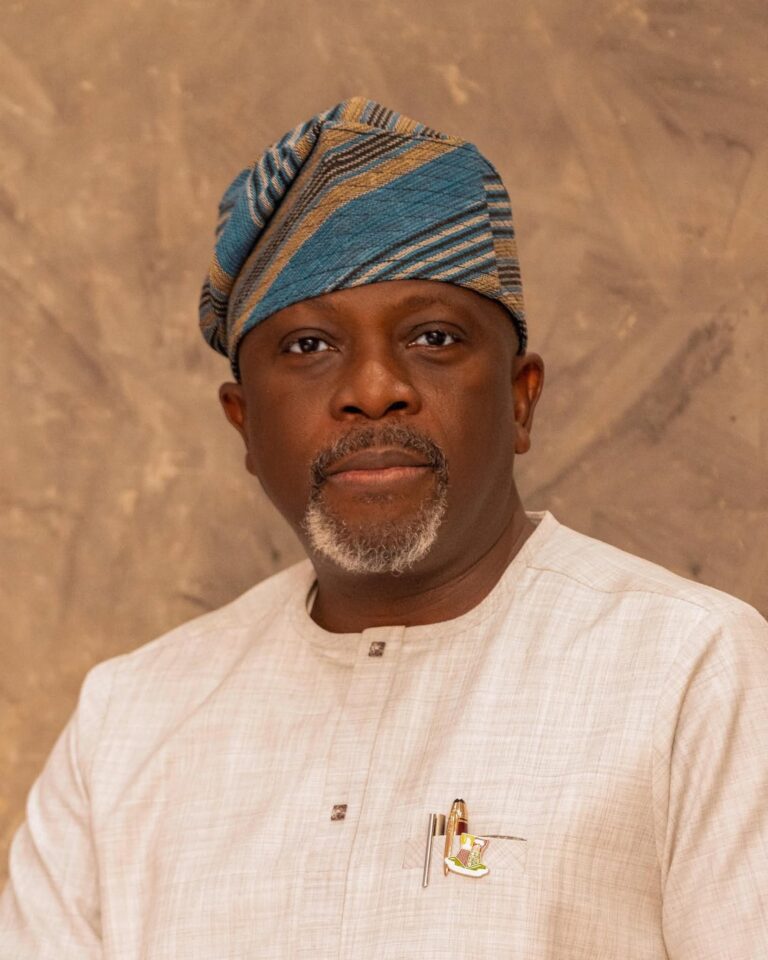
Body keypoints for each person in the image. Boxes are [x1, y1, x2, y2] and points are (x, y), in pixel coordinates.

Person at [1, 97, 766, 959]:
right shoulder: (129, 725)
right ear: (243, 424)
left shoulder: (690, 672)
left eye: (433, 337)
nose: (373, 390)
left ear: (520, 399)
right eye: (308, 347)